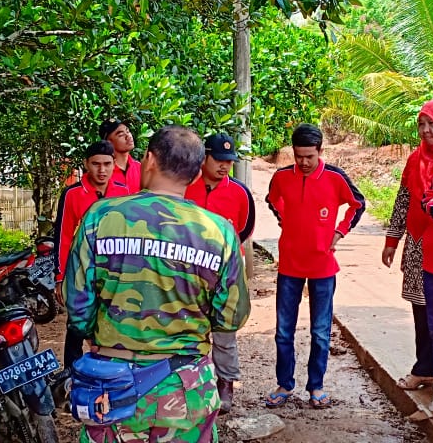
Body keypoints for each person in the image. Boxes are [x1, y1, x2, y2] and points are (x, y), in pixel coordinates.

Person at [63, 126, 250, 442]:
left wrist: (108, 334)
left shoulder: (99, 218)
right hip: (185, 389)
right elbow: (231, 317)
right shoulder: (218, 232)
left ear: (149, 160)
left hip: (112, 387)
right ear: (196, 174)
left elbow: (78, 309)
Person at [264, 124, 365, 409]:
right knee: (284, 331)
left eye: (310, 156)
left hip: (323, 267)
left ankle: (316, 386)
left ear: (320, 151)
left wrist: (340, 231)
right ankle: (284, 384)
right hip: (289, 266)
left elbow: (357, 204)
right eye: (299, 156)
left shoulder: (335, 177)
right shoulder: (282, 177)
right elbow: (272, 199)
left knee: (320, 332)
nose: (304, 162)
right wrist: (286, 219)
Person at [381, 101, 433, 394]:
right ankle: (425, 369)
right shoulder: (415, 159)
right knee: (421, 310)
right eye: (421, 124)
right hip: (418, 244)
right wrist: (392, 240)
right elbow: (403, 200)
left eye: (432, 123)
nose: (425, 130)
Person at [183, 132, 256, 414]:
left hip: (226, 274)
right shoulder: (185, 187)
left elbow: (245, 228)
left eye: (230, 161)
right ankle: (192, 384)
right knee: (189, 327)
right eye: (219, 159)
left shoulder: (240, 192)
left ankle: (226, 384)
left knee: (225, 332)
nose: (225, 165)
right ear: (204, 158)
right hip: (189, 273)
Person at [53, 140, 130, 372]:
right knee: (76, 325)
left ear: (114, 164)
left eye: (107, 164)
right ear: (86, 164)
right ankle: (70, 376)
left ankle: (111, 374)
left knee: (113, 322)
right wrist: (60, 277)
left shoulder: (125, 192)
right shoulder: (72, 194)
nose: (102, 170)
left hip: (113, 272)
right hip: (81, 272)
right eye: (96, 164)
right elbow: (63, 237)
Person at [100, 118, 141, 191]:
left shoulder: (140, 168)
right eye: (121, 135)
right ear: (109, 142)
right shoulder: (102, 173)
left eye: (128, 131)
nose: (128, 136)